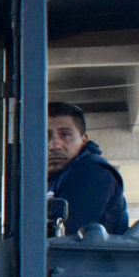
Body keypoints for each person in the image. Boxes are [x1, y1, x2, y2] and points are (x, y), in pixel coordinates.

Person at [47, 100, 128, 236]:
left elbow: (69, 240)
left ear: (83, 140)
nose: (55, 145)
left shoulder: (91, 173)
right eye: (46, 136)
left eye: (65, 135)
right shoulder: (58, 179)